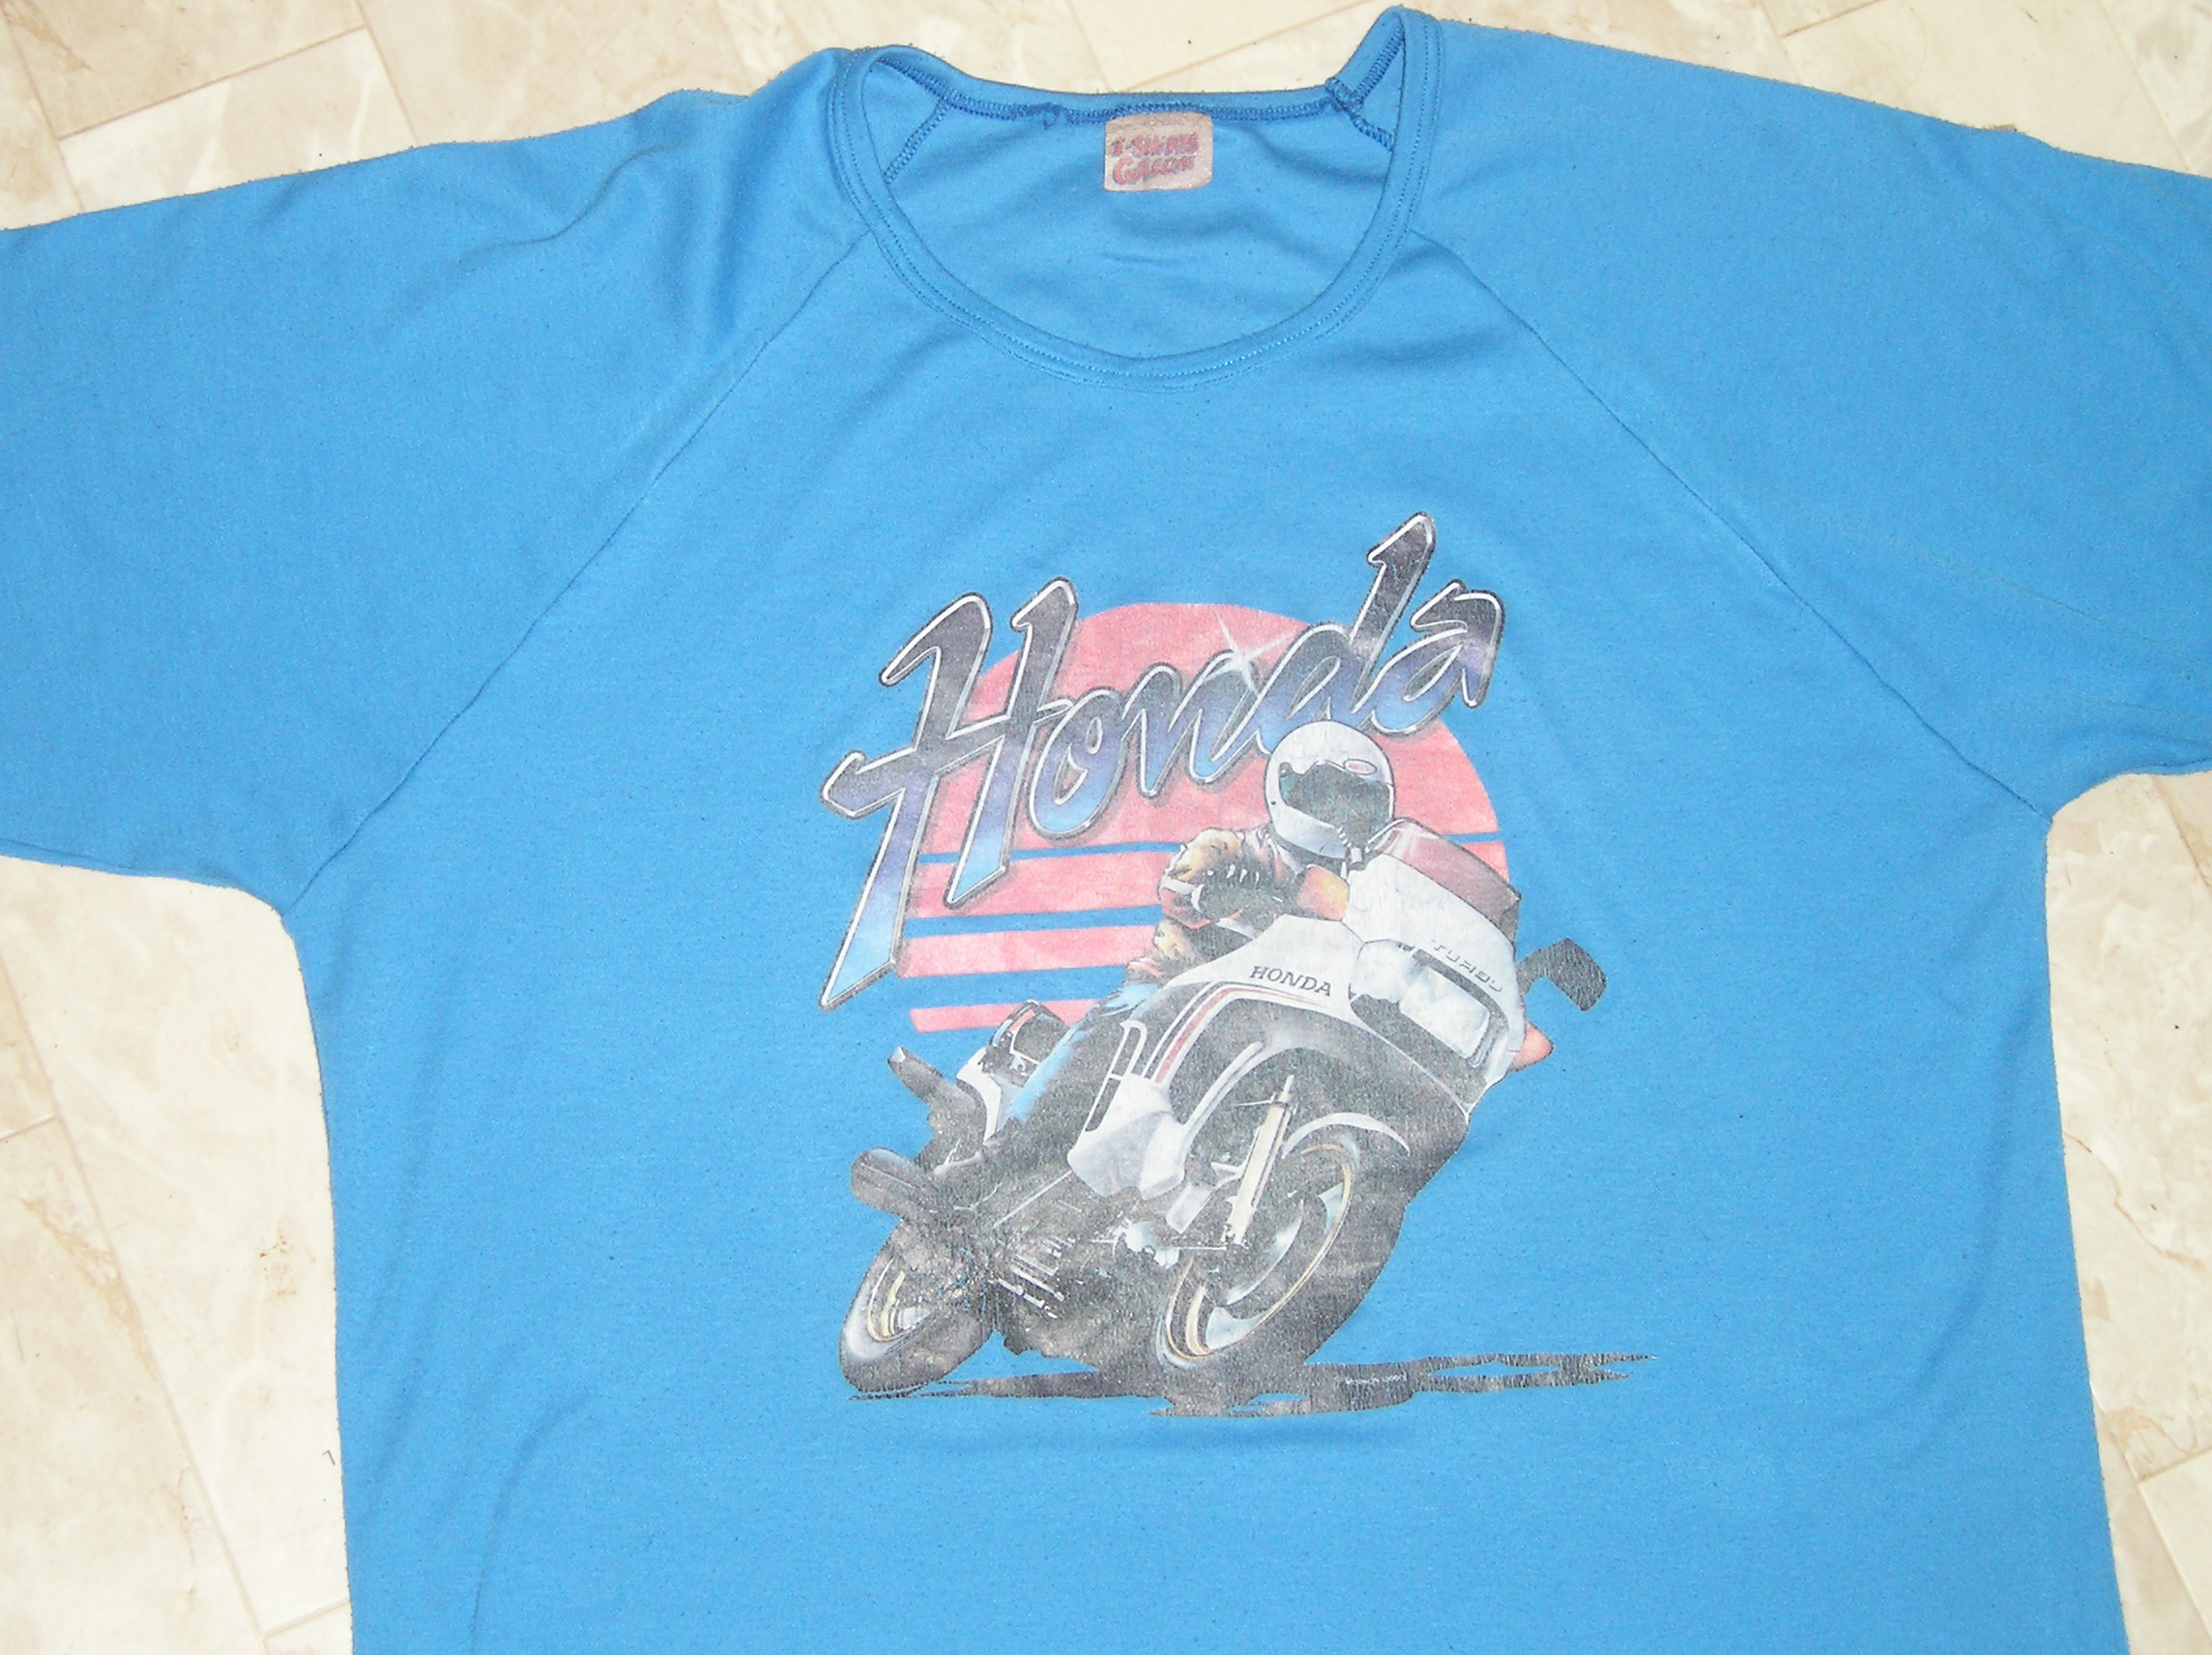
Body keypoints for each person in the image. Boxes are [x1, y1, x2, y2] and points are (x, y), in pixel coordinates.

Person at [992, 721, 1398, 1144]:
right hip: (1178, 984)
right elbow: (1177, 890)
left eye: (1358, 803)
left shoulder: (1356, 893)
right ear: (1291, 787)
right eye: (1327, 795)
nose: (1342, 814)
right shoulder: (1232, 847)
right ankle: (1009, 1145)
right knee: (1118, 1018)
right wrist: (1223, 894)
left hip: (1276, 1007)